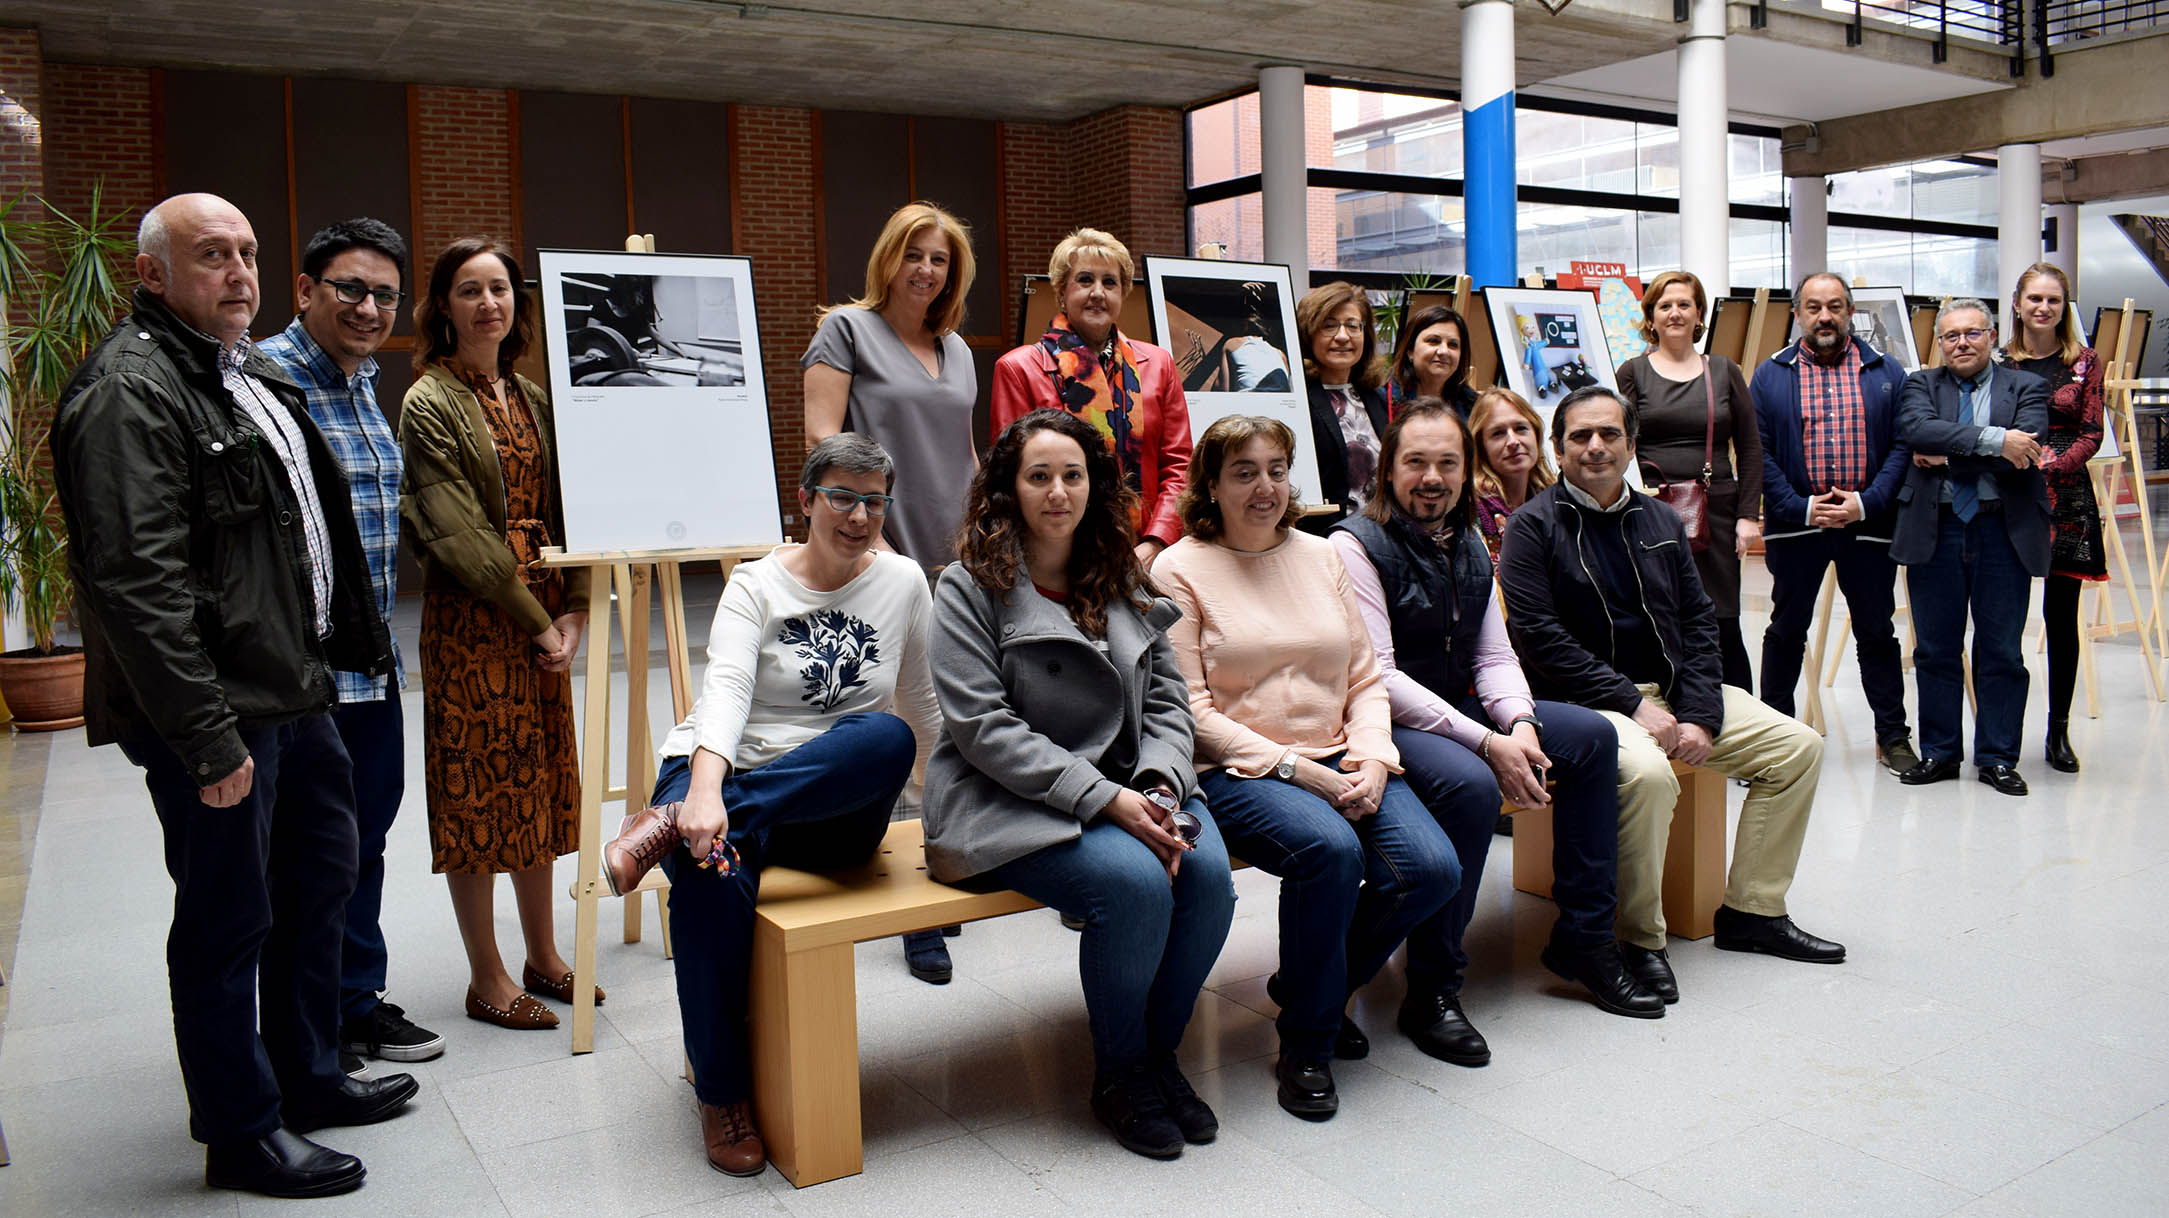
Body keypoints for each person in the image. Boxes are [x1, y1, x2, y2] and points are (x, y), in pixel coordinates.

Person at [51, 193, 413, 1199]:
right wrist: (209, 743)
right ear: (153, 275)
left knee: (316, 889)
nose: (240, 275)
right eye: (212, 256)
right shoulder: (133, 390)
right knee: (227, 920)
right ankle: (241, 1130)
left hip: (295, 692)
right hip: (221, 714)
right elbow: (135, 584)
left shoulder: (236, 375)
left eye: (248, 253)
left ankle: (307, 1075)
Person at [603, 434, 939, 1178]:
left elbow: (921, 705)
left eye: (873, 501)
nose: (857, 515)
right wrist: (700, 793)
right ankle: (722, 1099)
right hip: (715, 780)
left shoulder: (904, 582)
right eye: (841, 497)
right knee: (709, 884)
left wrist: (949, 812)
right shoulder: (755, 584)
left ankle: (664, 830)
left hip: (829, 809)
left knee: (882, 736)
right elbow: (721, 690)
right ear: (806, 501)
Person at [922, 409, 1234, 1160]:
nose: (1057, 492)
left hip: (1134, 781)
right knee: (1132, 886)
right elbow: (983, 729)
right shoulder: (968, 588)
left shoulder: (1121, 575)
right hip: (1005, 797)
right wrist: (1105, 800)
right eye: (1038, 476)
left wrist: (1158, 784)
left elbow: (1165, 697)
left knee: (1208, 877)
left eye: (1072, 475)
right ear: (1008, 488)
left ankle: (1158, 1055)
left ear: (1094, 486)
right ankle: (1121, 1073)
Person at [1157, 416, 1457, 1121]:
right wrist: (1298, 770)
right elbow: (1190, 713)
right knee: (1328, 850)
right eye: (1242, 472)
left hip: (1343, 752)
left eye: (1275, 469)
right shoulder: (1176, 568)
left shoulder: (1321, 556)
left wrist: (1375, 756)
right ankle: (1307, 1042)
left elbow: (1364, 676)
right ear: (1210, 484)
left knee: (1432, 870)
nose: (1264, 487)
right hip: (1238, 769)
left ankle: (1307, 984)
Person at [1499, 387, 1844, 997]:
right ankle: (1640, 938)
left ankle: (1753, 912)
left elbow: (1699, 623)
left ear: (1632, 445)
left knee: (1798, 748)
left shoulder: (1660, 519)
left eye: (1609, 434)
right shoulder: (1532, 527)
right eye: (1579, 436)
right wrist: (1636, 706)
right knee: (1650, 776)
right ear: (1558, 449)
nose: (1595, 447)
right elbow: (1541, 642)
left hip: (1675, 692)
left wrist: (1701, 715)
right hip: (1584, 705)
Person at [1330, 400, 1659, 1034]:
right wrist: (1489, 743)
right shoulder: (1354, 544)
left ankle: (1585, 938)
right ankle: (1432, 989)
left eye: (1448, 463)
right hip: (1388, 716)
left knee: (1591, 737)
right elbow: (1381, 675)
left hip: (1463, 704)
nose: (1433, 478)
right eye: (1416, 463)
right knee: (1470, 784)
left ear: (1465, 469)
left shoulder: (1471, 538)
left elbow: (1493, 654)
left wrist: (1522, 726)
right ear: (1388, 471)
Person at [258, 218, 444, 1073]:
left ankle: (355, 1001)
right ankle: (309, 1025)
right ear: (304, 292)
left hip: (371, 667)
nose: (369, 308)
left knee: (364, 836)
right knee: (310, 858)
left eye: (383, 294)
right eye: (350, 290)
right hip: (301, 676)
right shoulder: (265, 383)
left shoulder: (362, 382)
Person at [400, 236, 594, 1030]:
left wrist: (576, 606)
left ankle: (542, 955)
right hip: (475, 622)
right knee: (477, 797)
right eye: (470, 290)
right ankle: (485, 976)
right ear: (442, 306)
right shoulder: (428, 400)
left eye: (502, 289)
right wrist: (538, 619)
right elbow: (454, 532)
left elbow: (571, 504)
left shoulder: (533, 396)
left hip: (544, 611)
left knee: (536, 788)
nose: (489, 303)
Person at [801, 200, 978, 982]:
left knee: (951, 721)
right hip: (879, 550)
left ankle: (947, 859)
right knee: (900, 723)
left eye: (939, 258)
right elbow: (820, 438)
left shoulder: (958, 348)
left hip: (955, 552)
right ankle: (914, 917)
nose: (926, 269)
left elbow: (963, 451)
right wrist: (867, 529)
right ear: (889, 258)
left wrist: (983, 536)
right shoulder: (846, 330)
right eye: (914, 254)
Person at [1749, 273, 1917, 775]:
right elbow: (1760, 452)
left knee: (1876, 631)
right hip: (1798, 524)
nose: (1826, 316)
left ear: (1849, 313)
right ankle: (1772, 739)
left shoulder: (1885, 371)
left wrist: (1865, 503)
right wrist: (1800, 506)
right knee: (1785, 630)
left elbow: (1901, 447)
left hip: (1865, 525)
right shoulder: (1770, 375)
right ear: (1797, 314)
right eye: (1814, 307)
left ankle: (1892, 737)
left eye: (1836, 306)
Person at [1892, 300, 2052, 796]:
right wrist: (1993, 440)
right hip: (1936, 530)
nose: (1961, 343)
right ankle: (1940, 753)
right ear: (1939, 342)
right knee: (1936, 649)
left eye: (1972, 333)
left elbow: (2025, 455)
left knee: (2001, 651)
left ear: (1992, 335)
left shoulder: (2026, 386)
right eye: (1951, 336)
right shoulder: (1920, 385)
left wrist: (1947, 455)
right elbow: (1916, 431)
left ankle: (1998, 757)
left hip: (2002, 531)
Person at [991, 227, 1193, 567]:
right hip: (1057, 558)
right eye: (1085, 280)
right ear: (1061, 291)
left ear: (1124, 292)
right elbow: (1010, 477)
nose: (1097, 293)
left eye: (1109, 282)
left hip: (1149, 555)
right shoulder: (1018, 369)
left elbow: (1180, 466)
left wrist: (1156, 543)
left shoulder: (1159, 364)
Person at [1615, 270, 1762, 691]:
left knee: (1721, 621)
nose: (1675, 313)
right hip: (1651, 512)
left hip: (1716, 511)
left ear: (1699, 313)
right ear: (1652, 317)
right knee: (1658, 615)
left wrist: (1748, 516)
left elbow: (1751, 447)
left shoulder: (1723, 371)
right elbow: (1618, 443)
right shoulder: (1633, 373)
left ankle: (1737, 712)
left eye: (1684, 304)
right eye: (1665, 305)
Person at [2004, 262, 2106, 773]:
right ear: (2018, 304)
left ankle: (2058, 731)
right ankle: (2001, 732)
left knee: (2061, 620)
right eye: (2035, 298)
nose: (2044, 307)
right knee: (2002, 619)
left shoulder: (2085, 362)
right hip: (2009, 496)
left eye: (2054, 300)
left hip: (2067, 502)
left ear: (2064, 308)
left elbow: (2092, 431)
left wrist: (2054, 463)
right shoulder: (1998, 362)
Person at [1295, 280, 1390, 532]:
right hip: (1326, 539)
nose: (1342, 336)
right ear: (1308, 334)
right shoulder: (1296, 400)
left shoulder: (1375, 397)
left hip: (1381, 537)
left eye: (1352, 326)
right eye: (1329, 326)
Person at [1468, 386, 1556, 560]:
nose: (1513, 441)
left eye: (1521, 428)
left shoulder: (1558, 502)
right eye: (1498, 433)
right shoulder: (1469, 510)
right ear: (1481, 447)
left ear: (1536, 435)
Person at [1385, 303, 1477, 417]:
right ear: (1410, 350)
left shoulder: (1473, 406)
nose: (1444, 351)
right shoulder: (1381, 400)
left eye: (1453, 344)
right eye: (1433, 341)